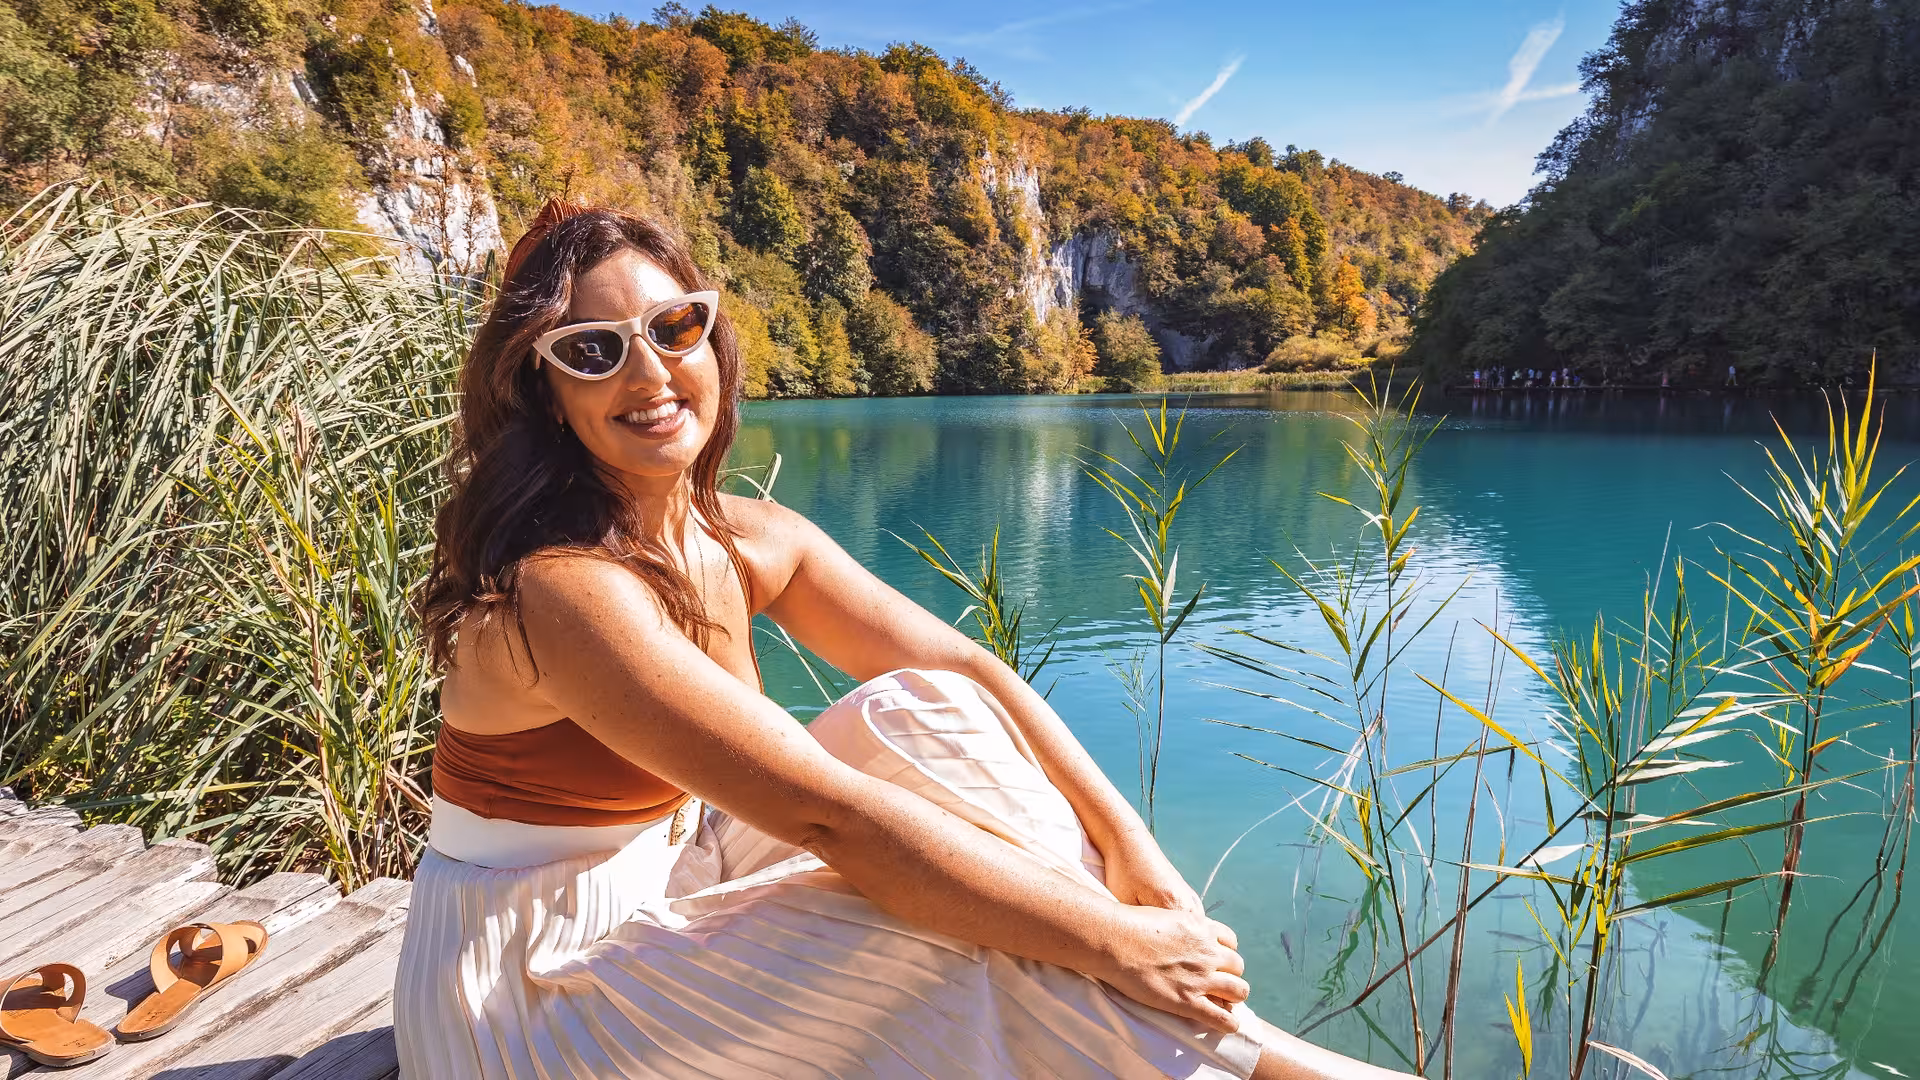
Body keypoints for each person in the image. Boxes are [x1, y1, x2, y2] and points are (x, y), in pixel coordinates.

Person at [393, 201, 1413, 1080]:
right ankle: (1279, 1066)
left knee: (927, 711)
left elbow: (967, 667)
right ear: (546, 391)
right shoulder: (563, 587)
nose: (650, 371)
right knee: (940, 923)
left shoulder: (744, 539)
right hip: (528, 1001)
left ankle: (1238, 1048)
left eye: (674, 326)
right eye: (593, 349)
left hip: (668, 881)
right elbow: (828, 818)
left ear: (713, 338)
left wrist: (1133, 860)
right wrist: (1113, 941)